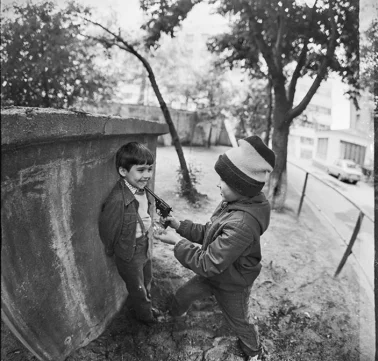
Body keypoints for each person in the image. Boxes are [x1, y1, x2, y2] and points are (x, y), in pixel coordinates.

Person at [154, 135, 275, 361]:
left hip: (232, 283)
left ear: (241, 186)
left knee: (240, 321)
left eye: (224, 181)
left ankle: (255, 352)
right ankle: (174, 315)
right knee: (183, 295)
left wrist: (176, 242)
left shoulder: (242, 224)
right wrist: (180, 226)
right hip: (214, 273)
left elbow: (208, 263)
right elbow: (209, 234)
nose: (218, 184)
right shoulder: (231, 204)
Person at [98, 141, 161, 324]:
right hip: (129, 252)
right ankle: (146, 317)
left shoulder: (143, 190)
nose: (147, 175)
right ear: (123, 171)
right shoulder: (118, 200)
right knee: (138, 287)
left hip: (145, 244)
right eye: (141, 170)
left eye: (149, 169)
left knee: (147, 278)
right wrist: (112, 250)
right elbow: (108, 229)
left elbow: (145, 213)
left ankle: (148, 306)